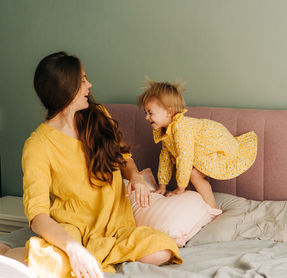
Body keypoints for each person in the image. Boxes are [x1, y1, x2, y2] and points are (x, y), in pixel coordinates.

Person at [19, 52, 181, 278]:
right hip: (72, 229)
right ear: (66, 88)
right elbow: (38, 217)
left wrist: (134, 176)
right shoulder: (37, 145)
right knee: (58, 265)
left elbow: (123, 157)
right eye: (83, 80)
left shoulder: (98, 116)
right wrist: (73, 249)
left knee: (163, 249)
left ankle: (91, 255)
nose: (89, 85)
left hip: (115, 226)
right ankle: (15, 253)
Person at [137, 79, 257, 209]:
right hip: (204, 151)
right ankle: (195, 202)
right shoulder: (165, 131)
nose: (146, 117)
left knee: (192, 173)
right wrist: (162, 185)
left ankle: (214, 209)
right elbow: (165, 158)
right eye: (145, 113)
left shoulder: (181, 128)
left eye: (150, 113)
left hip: (221, 148)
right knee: (186, 169)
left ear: (169, 112)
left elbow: (185, 157)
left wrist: (180, 188)